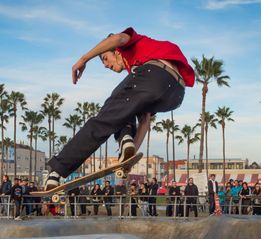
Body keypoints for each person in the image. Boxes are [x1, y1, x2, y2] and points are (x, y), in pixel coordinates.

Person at [44, 27, 194, 190]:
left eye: (105, 58)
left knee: (104, 119)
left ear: (116, 52)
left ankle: (56, 171)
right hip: (175, 95)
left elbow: (116, 39)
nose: (105, 65)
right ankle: (125, 142)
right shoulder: (138, 75)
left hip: (155, 74)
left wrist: (84, 59)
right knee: (123, 107)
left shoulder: (130, 45)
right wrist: (128, 158)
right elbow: (145, 122)